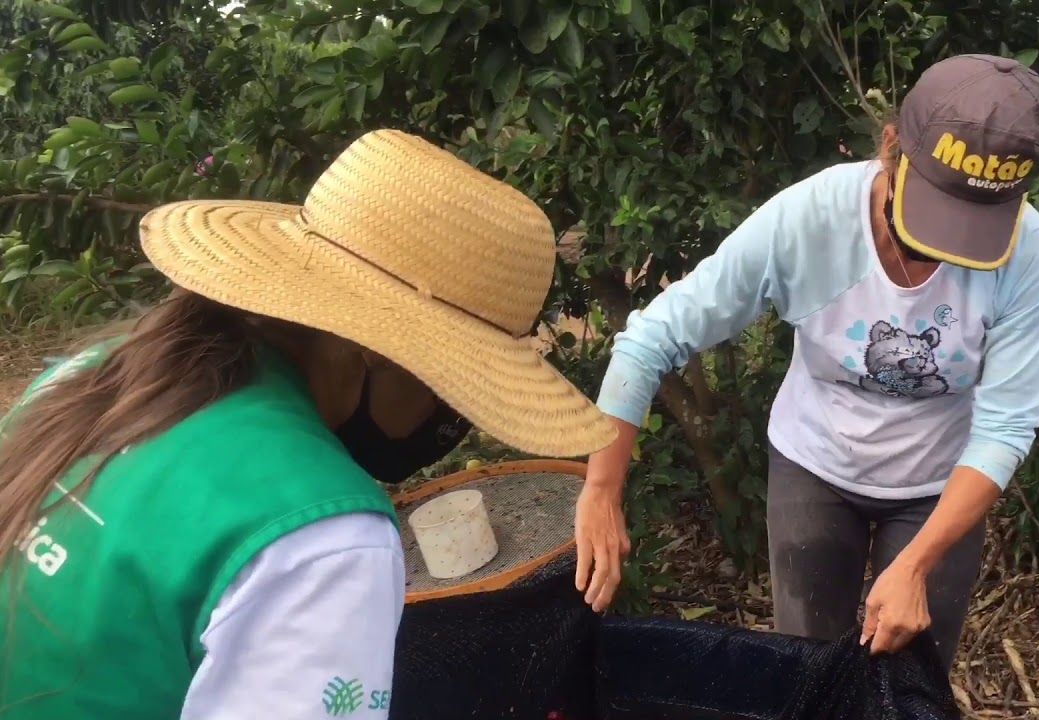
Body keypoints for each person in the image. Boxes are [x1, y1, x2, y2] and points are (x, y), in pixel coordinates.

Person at [0, 129, 617, 719]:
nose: (450, 417)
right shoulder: (327, 536)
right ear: (383, 346)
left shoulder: (89, 376)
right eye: (455, 384)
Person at [573, 54, 1039, 668]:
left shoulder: (1033, 257)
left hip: (939, 487)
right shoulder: (808, 220)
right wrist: (601, 487)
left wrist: (915, 563)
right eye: (933, 219)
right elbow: (651, 339)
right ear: (891, 148)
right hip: (814, 461)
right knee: (802, 666)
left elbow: (1005, 426)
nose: (942, 255)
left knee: (912, 679)